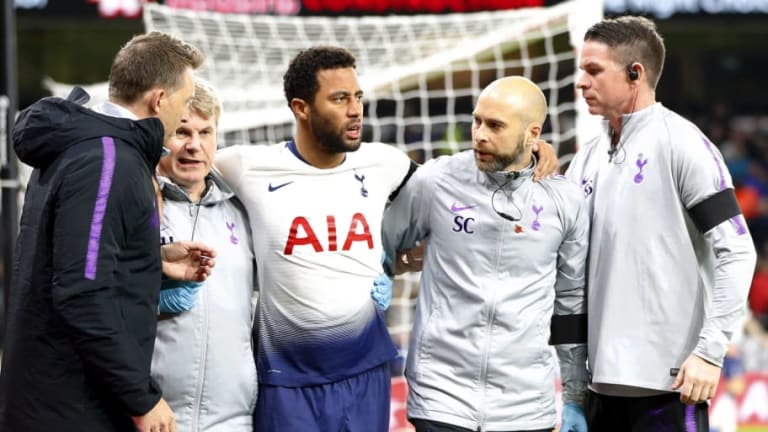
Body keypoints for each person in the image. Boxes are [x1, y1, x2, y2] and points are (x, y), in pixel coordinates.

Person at [0, 31, 213, 432]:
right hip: (70, 410)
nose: (184, 113)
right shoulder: (108, 160)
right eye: (184, 101)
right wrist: (142, 397)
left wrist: (149, 258)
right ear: (159, 100)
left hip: (56, 402)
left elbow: (70, 257)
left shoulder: (89, 149)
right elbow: (82, 292)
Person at [565, 16, 757, 431]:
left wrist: (709, 352)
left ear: (634, 73)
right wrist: (573, 391)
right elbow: (569, 275)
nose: (581, 83)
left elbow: (738, 250)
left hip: (671, 387)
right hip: (599, 391)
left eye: (594, 70)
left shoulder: (682, 144)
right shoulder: (585, 160)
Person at [382, 76, 589, 432]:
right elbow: (382, 247)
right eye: (476, 121)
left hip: (526, 406)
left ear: (533, 134)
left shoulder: (564, 201)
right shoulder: (437, 180)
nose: (479, 134)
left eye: (495, 126)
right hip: (441, 400)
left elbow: (570, 303)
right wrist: (395, 268)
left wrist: (574, 397)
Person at [150, 77, 258, 431]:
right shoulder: (137, 203)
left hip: (233, 420)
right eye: (181, 132)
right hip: (152, 416)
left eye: (205, 132)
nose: (194, 146)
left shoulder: (245, 210)